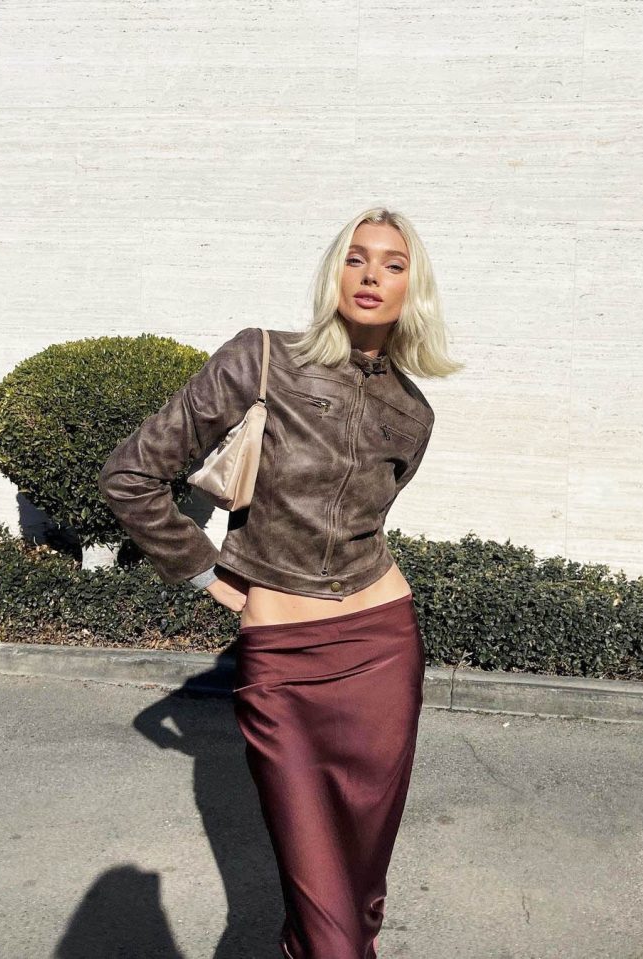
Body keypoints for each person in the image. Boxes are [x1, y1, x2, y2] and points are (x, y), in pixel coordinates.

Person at [98, 206, 462, 958]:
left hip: (383, 651)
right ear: (335, 272)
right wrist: (204, 572)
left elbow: (367, 521)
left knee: (357, 893)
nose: (371, 274)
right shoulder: (261, 358)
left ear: (412, 289)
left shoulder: (413, 412)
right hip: (283, 662)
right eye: (356, 257)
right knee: (326, 906)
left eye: (393, 264)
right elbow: (130, 475)